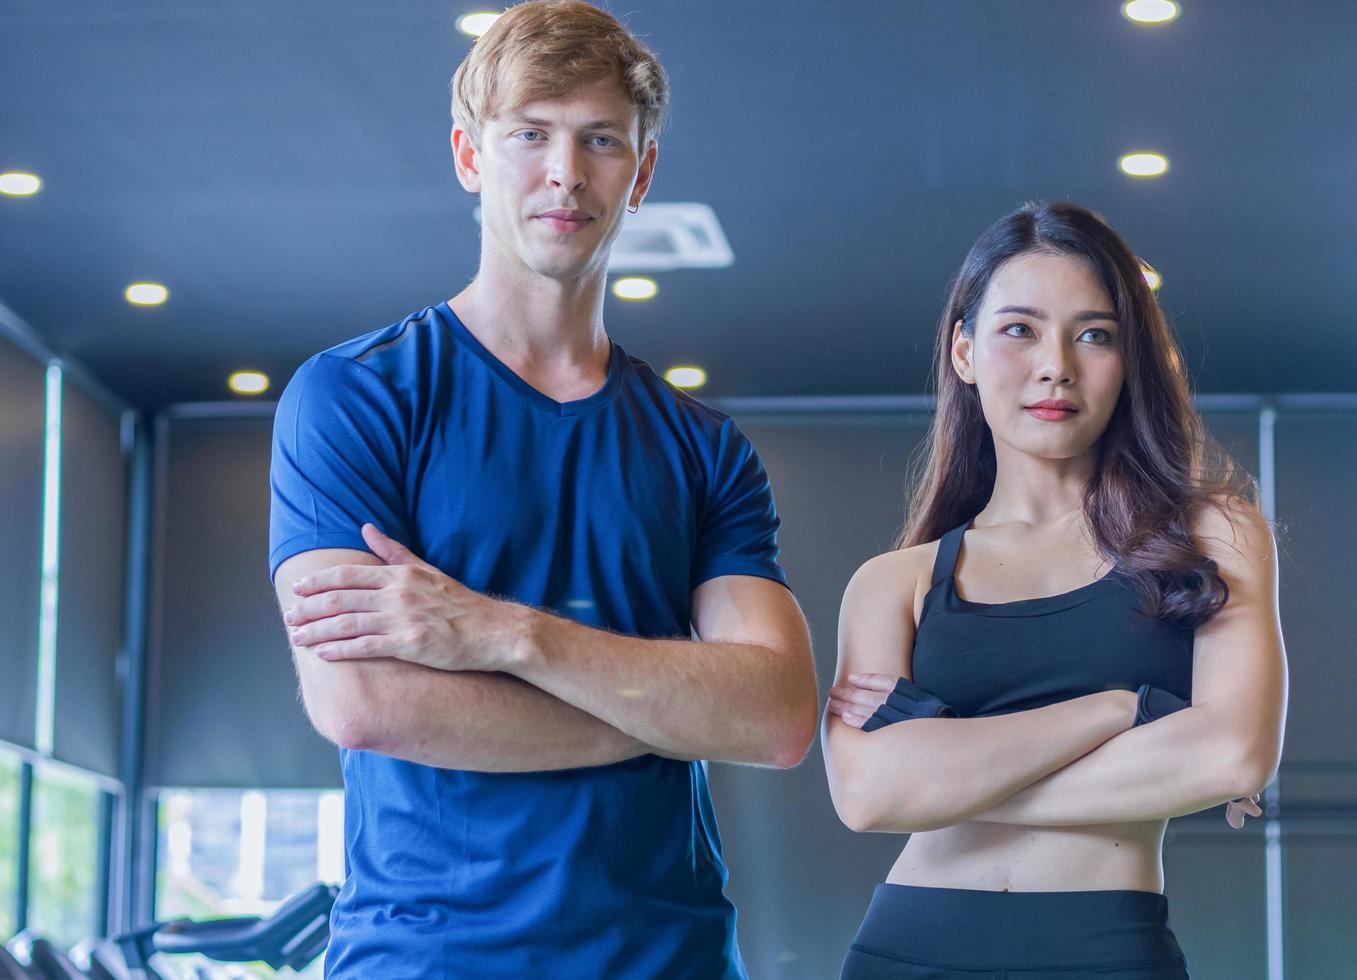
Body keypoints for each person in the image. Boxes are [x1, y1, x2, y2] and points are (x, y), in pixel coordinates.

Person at [267, 3, 817, 976]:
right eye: (531, 134)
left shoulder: (704, 447)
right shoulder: (355, 395)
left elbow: (773, 714)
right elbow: (361, 699)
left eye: (600, 139)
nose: (565, 172)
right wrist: (662, 713)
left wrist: (503, 634)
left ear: (640, 172)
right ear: (470, 155)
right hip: (429, 956)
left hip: (667, 955)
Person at [823, 201, 1288, 979]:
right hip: (906, 945)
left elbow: (1233, 755)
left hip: (1106, 947)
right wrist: (1120, 711)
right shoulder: (893, 582)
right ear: (963, 352)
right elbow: (868, 796)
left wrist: (943, 781)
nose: (1055, 365)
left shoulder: (1213, 534)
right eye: (1019, 329)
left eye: (1093, 334)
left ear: (1126, 361)